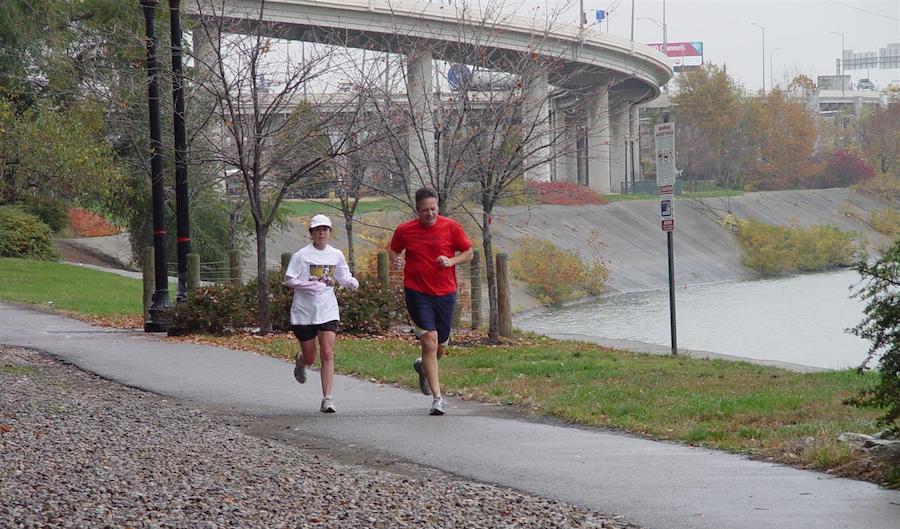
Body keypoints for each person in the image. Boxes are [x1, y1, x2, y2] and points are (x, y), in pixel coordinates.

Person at [389, 188, 473, 415]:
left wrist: (451, 261)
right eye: (425, 210)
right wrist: (397, 261)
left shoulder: (452, 227)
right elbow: (394, 251)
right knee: (429, 342)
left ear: (438, 208)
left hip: (445, 293)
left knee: (440, 347)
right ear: (417, 210)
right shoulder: (405, 230)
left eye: (433, 209)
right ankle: (437, 398)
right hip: (417, 292)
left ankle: (423, 367)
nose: (430, 214)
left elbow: (469, 252)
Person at [284, 214, 359, 413]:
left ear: (329, 233)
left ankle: (327, 398)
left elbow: (343, 276)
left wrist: (351, 283)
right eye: (317, 230)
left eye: (325, 230)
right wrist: (308, 285)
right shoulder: (301, 255)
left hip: (327, 309)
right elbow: (289, 280)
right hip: (304, 312)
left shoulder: (335, 254)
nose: (321, 233)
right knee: (311, 357)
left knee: (327, 352)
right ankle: (301, 361)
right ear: (311, 233)